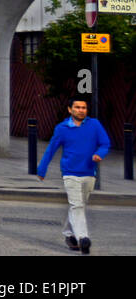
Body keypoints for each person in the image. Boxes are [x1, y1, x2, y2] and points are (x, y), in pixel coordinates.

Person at [37, 97, 110, 254]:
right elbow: (51, 149)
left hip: (89, 172)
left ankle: (69, 234)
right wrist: (42, 169)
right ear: (70, 110)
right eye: (77, 107)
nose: (81, 110)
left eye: (83, 108)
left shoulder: (94, 125)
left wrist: (99, 154)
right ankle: (83, 238)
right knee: (77, 205)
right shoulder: (62, 128)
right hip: (70, 173)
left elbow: (105, 143)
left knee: (79, 205)